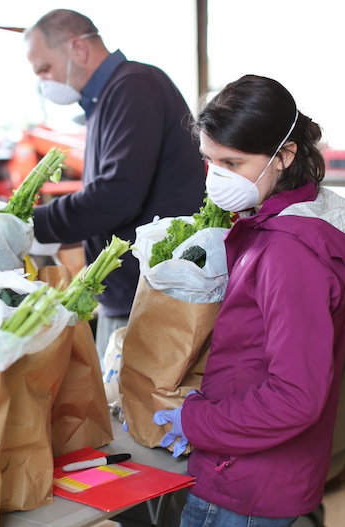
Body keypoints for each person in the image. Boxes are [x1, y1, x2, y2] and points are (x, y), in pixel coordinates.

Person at [151, 75, 345, 527]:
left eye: (232, 162)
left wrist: (197, 421)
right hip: (251, 467)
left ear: (284, 156)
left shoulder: (289, 252)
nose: (216, 176)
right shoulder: (280, 225)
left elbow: (296, 397)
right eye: (209, 161)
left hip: (243, 482)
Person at [24, 9, 207, 361]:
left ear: (78, 49)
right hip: (130, 293)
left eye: (44, 69)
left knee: (133, 410)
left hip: (151, 295)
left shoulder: (133, 86)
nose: (44, 81)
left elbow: (117, 194)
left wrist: (28, 223)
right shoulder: (107, 98)